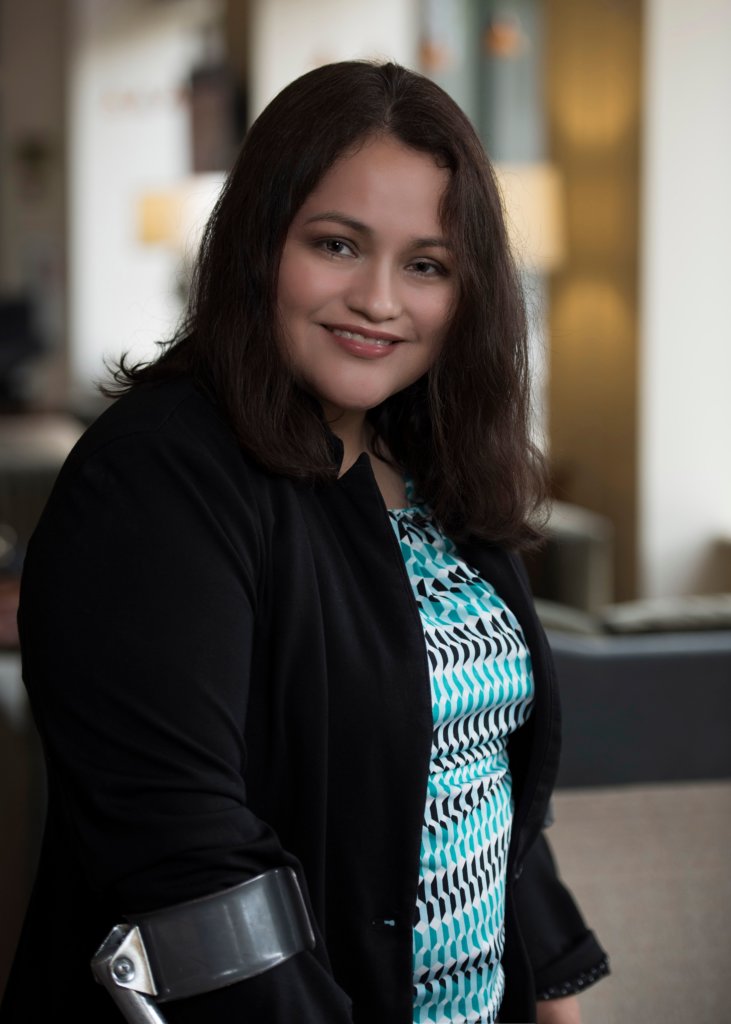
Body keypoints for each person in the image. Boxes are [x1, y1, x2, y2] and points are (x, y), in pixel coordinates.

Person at [2, 61, 608, 1024]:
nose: (378, 299)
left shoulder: (428, 462)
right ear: (259, 242)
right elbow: (187, 862)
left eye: (426, 264)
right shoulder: (156, 478)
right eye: (336, 244)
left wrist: (555, 989)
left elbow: (478, 774)